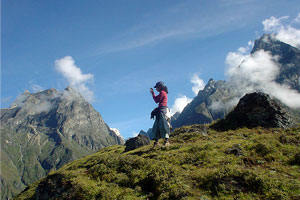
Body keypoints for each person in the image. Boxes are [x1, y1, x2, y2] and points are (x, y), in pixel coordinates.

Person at [150, 81, 171, 148]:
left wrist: (153, 93)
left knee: (162, 126)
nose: (156, 89)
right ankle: (157, 143)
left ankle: (165, 142)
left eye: (157, 87)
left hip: (162, 111)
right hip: (161, 111)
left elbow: (156, 100)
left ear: (160, 87)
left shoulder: (162, 93)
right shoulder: (163, 93)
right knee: (158, 127)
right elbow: (157, 100)